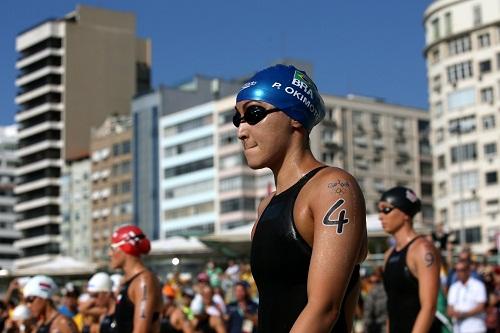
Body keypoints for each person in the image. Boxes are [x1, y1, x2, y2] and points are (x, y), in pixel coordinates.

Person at [235, 64, 367, 332]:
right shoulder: (266, 207)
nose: (241, 130)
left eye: (254, 113)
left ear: (295, 116)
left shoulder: (332, 188)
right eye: (238, 118)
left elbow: (324, 309)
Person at [379, 186, 441, 332]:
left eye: (386, 210)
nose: (380, 216)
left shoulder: (422, 250)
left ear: (405, 214)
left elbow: (429, 306)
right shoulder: (389, 255)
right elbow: (392, 305)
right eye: (379, 210)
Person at [108, 224, 163, 333]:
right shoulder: (126, 282)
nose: (109, 254)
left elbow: (141, 331)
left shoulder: (144, 281)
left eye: (113, 248)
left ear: (126, 247)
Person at [447, 260, 487, 333]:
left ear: (468, 271)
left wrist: (463, 314)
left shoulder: (478, 285)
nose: (458, 273)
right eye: (457, 270)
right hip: (458, 329)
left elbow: (481, 307)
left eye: (461, 270)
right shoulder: (453, 287)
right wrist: (453, 313)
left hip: (475, 329)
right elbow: (449, 308)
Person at [362, 267, 387, 333]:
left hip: (377, 328)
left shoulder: (373, 292)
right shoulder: (391, 289)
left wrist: (365, 330)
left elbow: (368, 314)